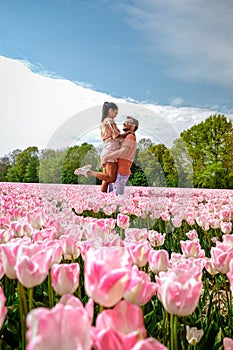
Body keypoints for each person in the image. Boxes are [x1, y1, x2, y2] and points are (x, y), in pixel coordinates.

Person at [74, 102, 131, 192]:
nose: (116, 116)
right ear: (110, 110)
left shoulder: (103, 122)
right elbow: (116, 137)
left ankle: (103, 197)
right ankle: (88, 171)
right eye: (115, 113)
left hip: (107, 149)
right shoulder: (109, 121)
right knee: (111, 178)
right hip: (111, 150)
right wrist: (127, 134)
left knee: (106, 179)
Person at [102, 116, 138, 195]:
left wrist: (107, 157)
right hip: (119, 170)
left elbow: (123, 152)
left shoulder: (130, 136)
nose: (124, 123)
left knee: (117, 196)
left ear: (133, 126)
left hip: (122, 171)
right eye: (125, 121)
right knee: (113, 194)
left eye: (128, 122)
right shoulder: (126, 136)